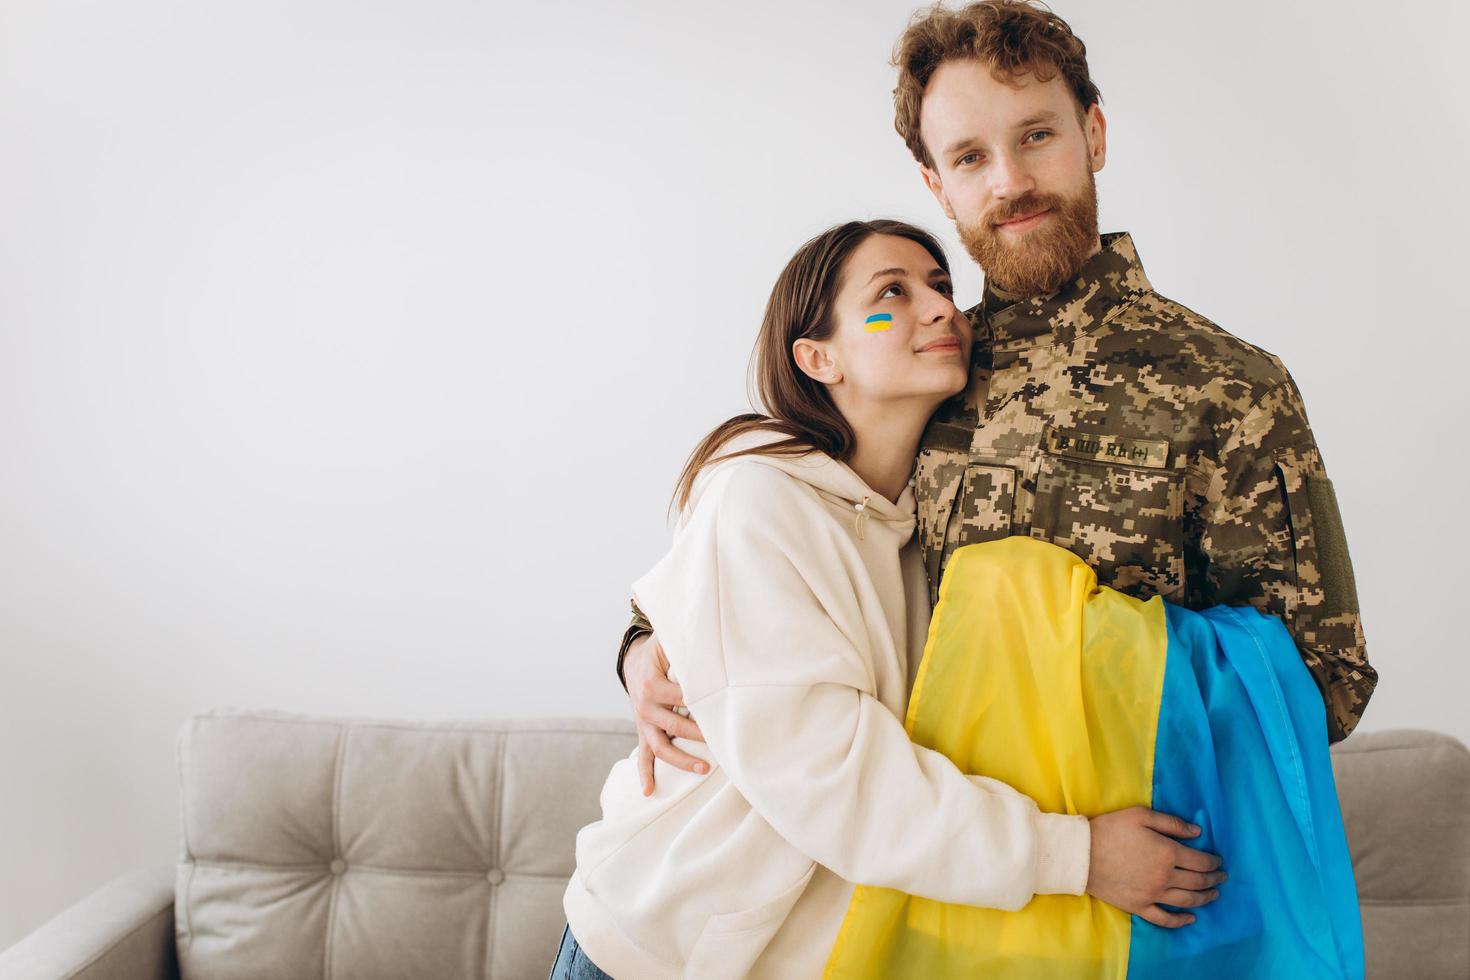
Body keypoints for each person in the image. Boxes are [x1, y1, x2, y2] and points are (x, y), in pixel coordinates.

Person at [620, 0, 1376, 801]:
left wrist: (1082, 675)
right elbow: (766, 546)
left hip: (1138, 872)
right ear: (937, 186)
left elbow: (1326, 682)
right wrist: (644, 653)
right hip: (923, 867)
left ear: (1095, 134)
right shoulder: (913, 369)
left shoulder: (1231, 387)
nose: (1010, 183)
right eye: (971, 157)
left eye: (1036, 136)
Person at [550, 220, 1224, 980]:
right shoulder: (758, 500)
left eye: (941, 286)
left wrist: (643, 646)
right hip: (661, 949)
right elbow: (832, 775)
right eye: (891, 295)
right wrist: (1082, 855)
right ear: (817, 356)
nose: (940, 309)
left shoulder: (933, 528)